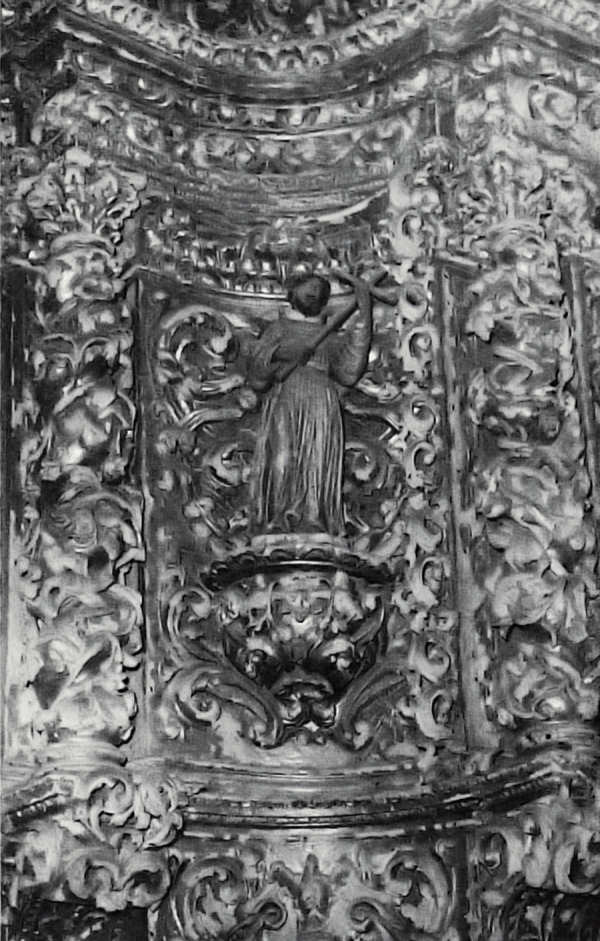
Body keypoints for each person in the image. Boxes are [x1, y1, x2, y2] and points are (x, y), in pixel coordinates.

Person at [248, 271, 372, 535]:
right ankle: (278, 515)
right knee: (282, 454)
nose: (314, 293)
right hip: (286, 395)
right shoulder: (279, 329)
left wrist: (365, 316)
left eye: (319, 290)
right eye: (309, 288)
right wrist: (281, 352)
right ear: (292, 293)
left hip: (320, 399)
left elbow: (349, 370)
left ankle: (314, 516)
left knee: (316, 456)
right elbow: (257, 372)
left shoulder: (328, 335)